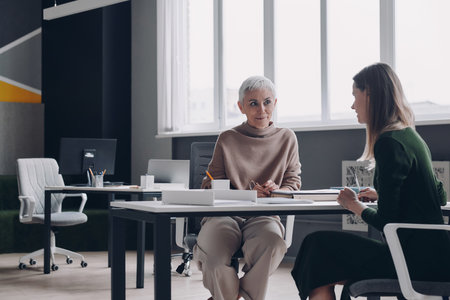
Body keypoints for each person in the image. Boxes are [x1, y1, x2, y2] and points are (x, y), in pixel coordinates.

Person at [291, 62, 450, 300]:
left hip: (410, 262)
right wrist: (382, 194)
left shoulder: (388, 143)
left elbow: (387, 221)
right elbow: (439, 196)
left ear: (371, 96)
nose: (353, 105)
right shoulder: (411, 136)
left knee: (318, 247)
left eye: (355, 96)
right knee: (318, 249)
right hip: (436, 257)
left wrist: (354, 204)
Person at [193, 75, 301, 300]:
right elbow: (209, 185)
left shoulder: (287, 138)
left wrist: (277, 189)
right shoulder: (227, 138)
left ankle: (228, 296)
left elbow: (293, 185)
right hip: (224, 215)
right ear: (241, 107)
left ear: (275, 103)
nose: (262, 109)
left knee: (273, 244)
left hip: (265, 217)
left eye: (267, 102)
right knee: (214, 257)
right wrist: (246, 195)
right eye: (253, 103)